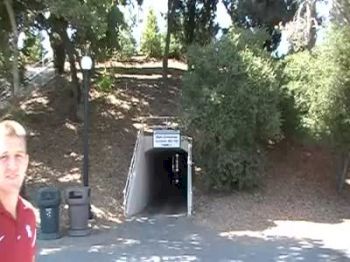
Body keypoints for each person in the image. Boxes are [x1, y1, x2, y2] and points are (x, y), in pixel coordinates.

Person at [0, 120, 36, 262]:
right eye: (3, 157)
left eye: (18, 156)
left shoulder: (29, 214)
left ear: (26, 162)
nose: (12, 166)